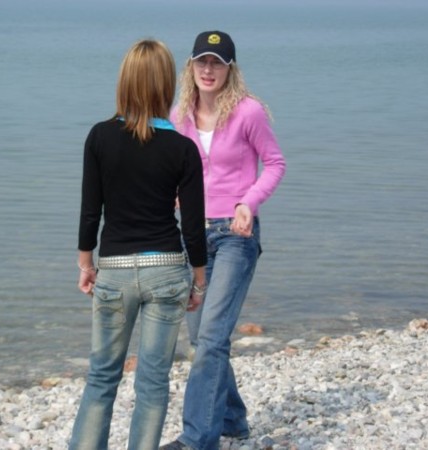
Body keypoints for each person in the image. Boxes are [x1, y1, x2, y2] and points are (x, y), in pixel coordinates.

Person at [69, 39, 207, 450]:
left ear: (125, 81)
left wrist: (85, 264)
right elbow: (193, 225)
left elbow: (90, 211)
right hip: (166, 269)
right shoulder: (183, 148)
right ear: (166, 85)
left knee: (101, 377)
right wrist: (199, 280)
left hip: (113, 269)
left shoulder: (99, 137)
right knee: (152, 381)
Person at [160, 31, 286, 450]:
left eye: (217, 62)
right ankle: (233, 419)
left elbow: (275, 163)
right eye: (202, 61)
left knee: (212, 338)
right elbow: (173, 170)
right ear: (191, 66)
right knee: (201, 339)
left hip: (236, 234)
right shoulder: (179, 115)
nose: (209, 70)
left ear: (230, 69)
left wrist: (249, 201)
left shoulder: (248, 112)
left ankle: (197, 438)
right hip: (193, 237)